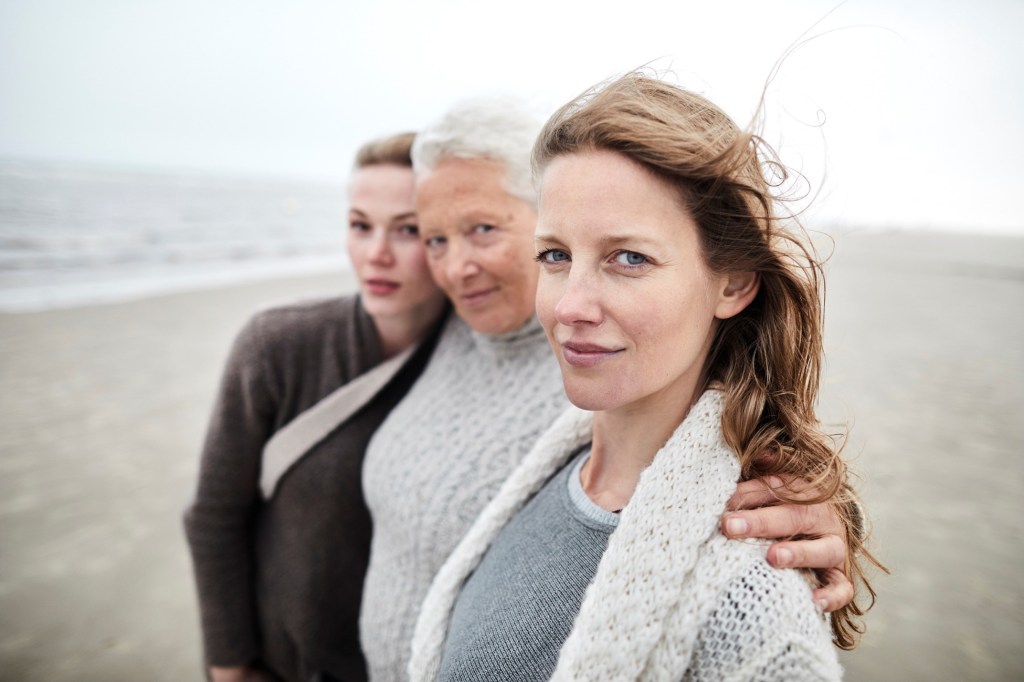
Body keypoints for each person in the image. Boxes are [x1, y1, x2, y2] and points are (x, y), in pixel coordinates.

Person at [361, 96, 866, 681]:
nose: (570, 305)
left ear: (733, 283)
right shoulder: (553, 462)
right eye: (554, 255)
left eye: (629, 258)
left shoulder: (755, 601)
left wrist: (834, 508)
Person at [183, 132, 450, 682]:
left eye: (408, 230)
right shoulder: (277, 344)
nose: (376, 253)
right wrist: (229, 666)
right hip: (279, 664)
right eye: (360, 225)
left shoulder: (473, 364)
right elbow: (214, 516)